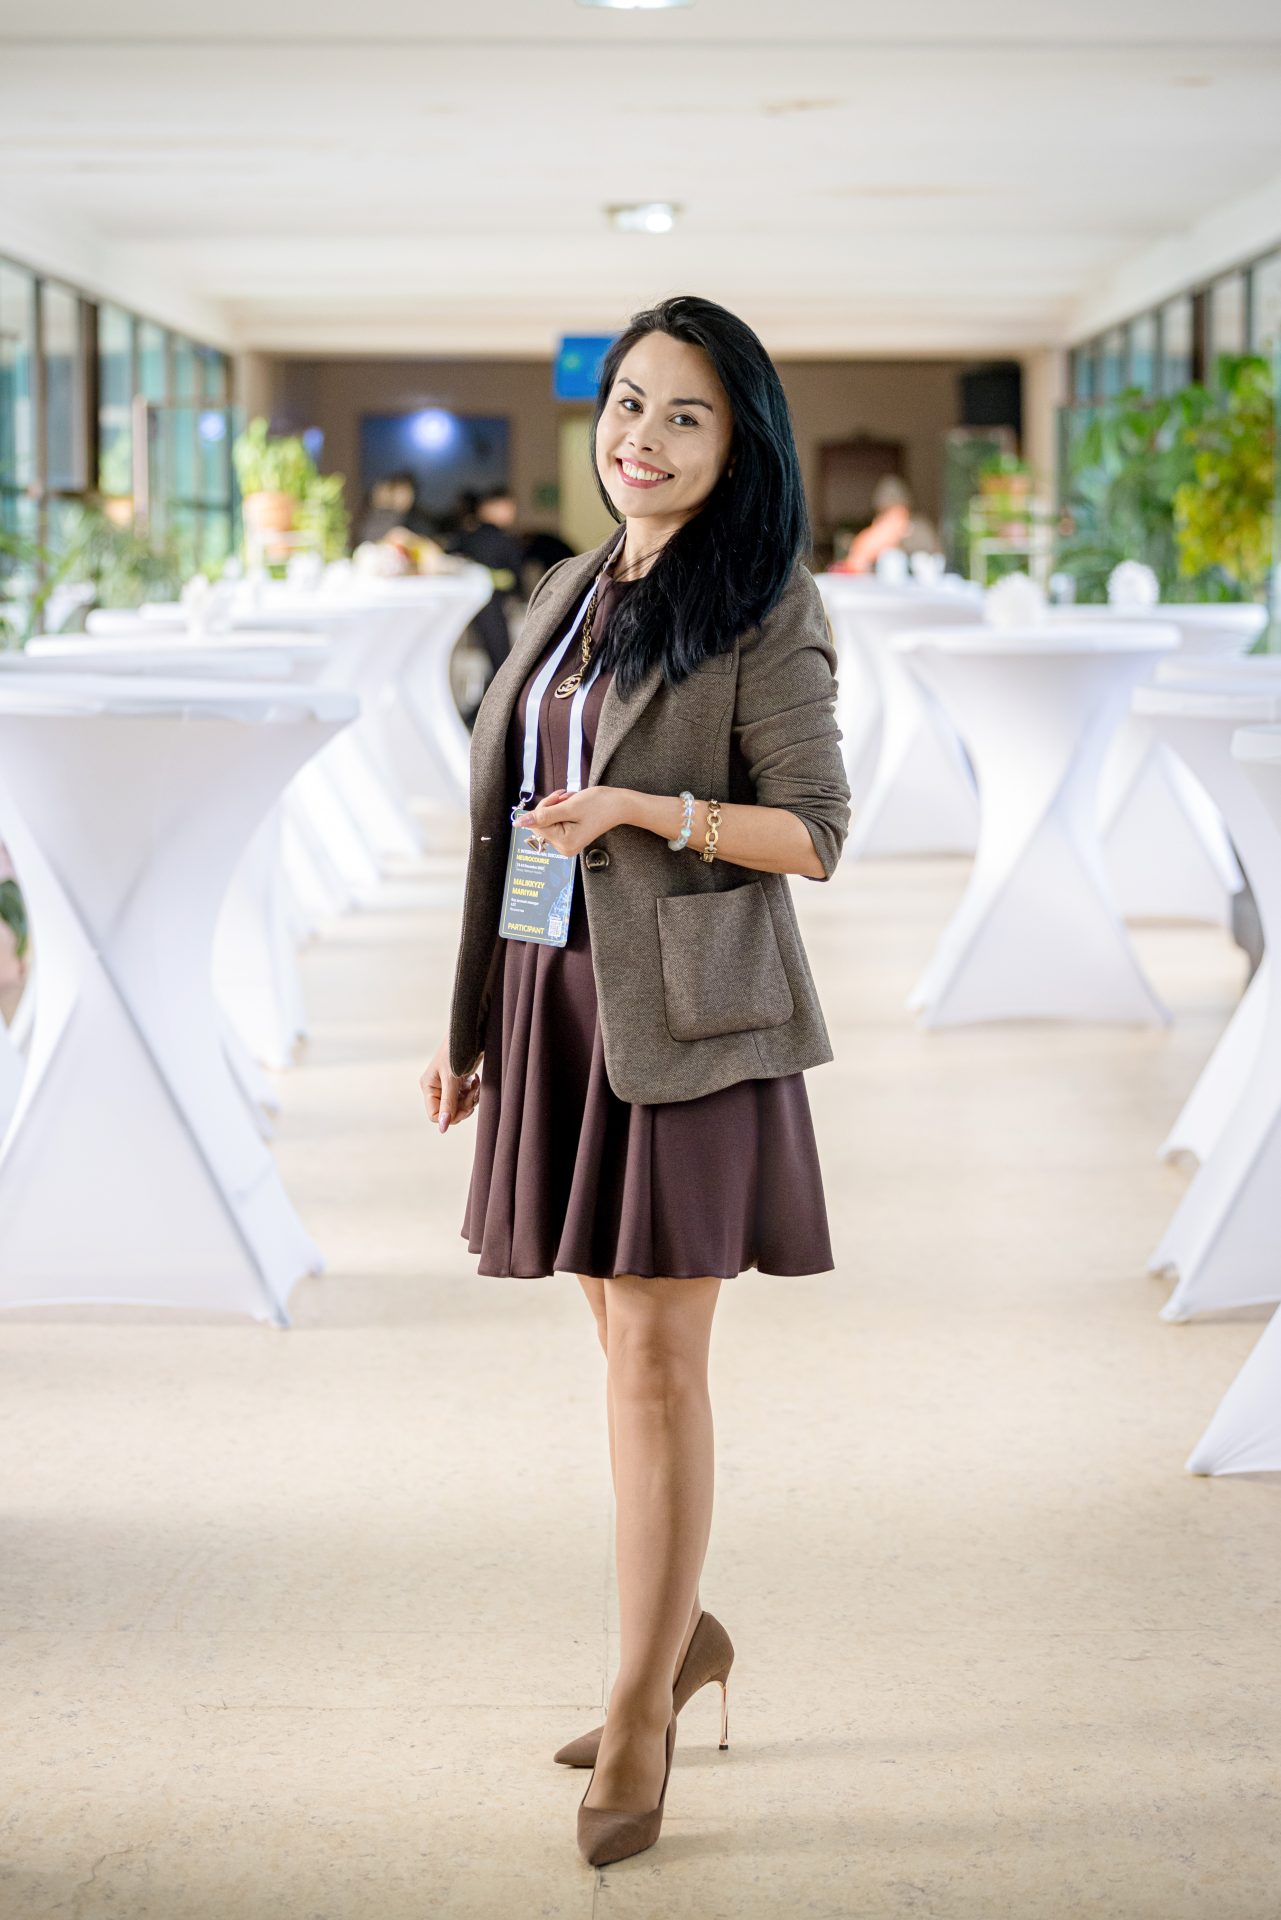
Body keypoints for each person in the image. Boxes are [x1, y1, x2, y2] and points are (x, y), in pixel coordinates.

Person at [420, 295, 851, 1867]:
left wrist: (646, 808)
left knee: (657, 1362)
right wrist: (469, 1019)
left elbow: (813, 832)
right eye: (627, 404)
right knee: (617, 1346)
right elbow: (511, 817)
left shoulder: (763, 601)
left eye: (685, 414)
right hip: (554, 998)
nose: (643, 439)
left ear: (739, 445)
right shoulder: (569, 586)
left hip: (685, 1014)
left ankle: (638, 1703)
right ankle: (681, 1638)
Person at [446, 486, 527, 676]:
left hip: (465, 613)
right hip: (492, 609)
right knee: (502, 664)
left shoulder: (466, 536)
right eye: (506, 506)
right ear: (487, 508)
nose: (511, 511)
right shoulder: (498, 539)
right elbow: (516, 578)